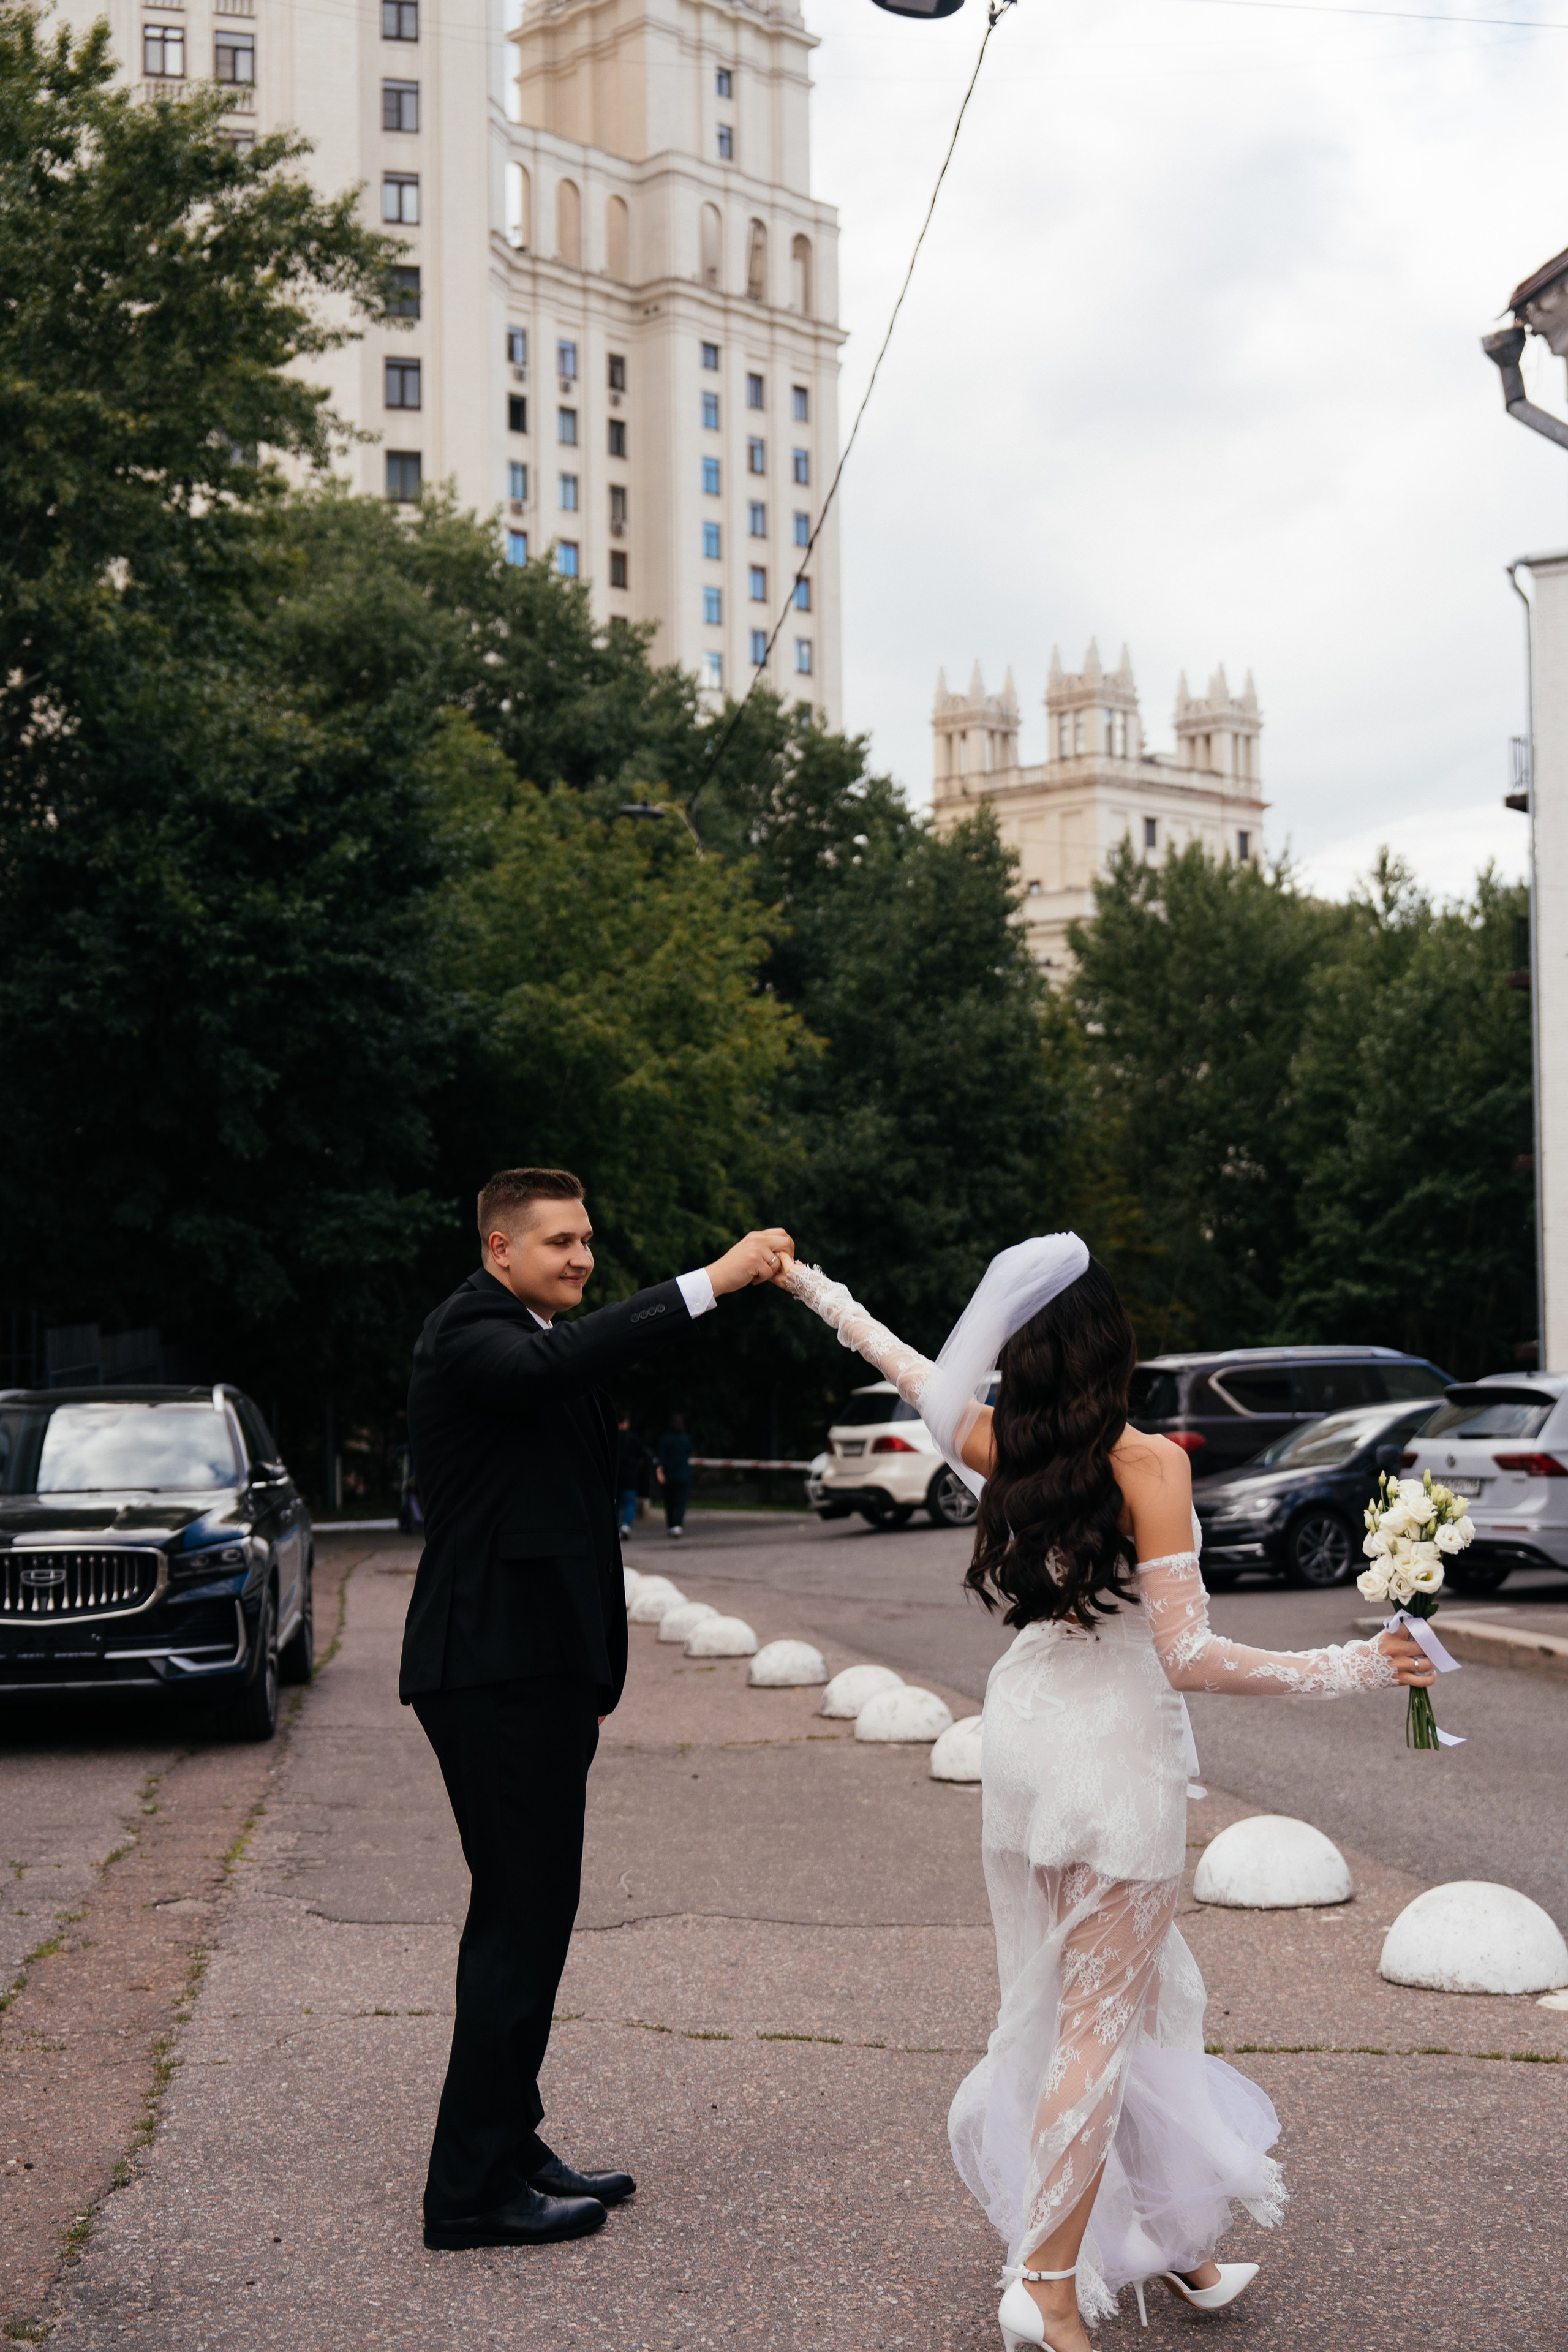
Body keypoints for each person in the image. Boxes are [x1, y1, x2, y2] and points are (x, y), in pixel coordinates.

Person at [774, 1238, 1434, 2352]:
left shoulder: (991, 1441)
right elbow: (1189, 1656)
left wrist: (804, 1286)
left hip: (1029, 1745)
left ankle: (1180, 2247)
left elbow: (895, 1356)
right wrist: (1358, 1666)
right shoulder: (1151, 1466)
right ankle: (1046, 2281)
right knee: (1094, 2027)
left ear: (1019, 1353)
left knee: (1146, 1998)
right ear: (1113, 1351)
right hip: (1119, 1761)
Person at [401, 1166, 791, 2253]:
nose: (579, 1257)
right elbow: (567, 1361)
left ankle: (508, 2141)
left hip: (539, 1671)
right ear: (498, 1250)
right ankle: (468, 2194)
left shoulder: (526, 1337)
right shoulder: (470, 1334)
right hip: (491, 1669)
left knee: (532, 1916)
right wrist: (714, 1280)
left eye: (585, 1241)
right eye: (558, 1241)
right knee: (518, 1925)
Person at [655, 1411, 693, 1537]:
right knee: (680, 1502)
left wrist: (660, 1472)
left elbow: (661, 1457)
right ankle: (678, 1525)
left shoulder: (664, 1439)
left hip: (668, 1475)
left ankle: (671, 1525)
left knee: (669, 1502)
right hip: (682, 1475)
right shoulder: (685, 1439)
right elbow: (689, 1452)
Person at [613, 1409, 646, 1540]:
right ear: (625, 1423)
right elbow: (642, 1456)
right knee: (630, 1503)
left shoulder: (611, 1437)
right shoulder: (633, 1438)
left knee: (615, 1504)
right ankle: (626, 1525)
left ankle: (614, 1529)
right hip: (630, 1476)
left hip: (615, 1477)